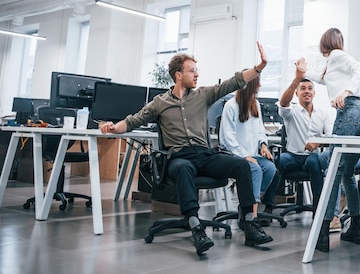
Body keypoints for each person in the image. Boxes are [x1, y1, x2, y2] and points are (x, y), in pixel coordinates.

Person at [98, 42, 273, 256]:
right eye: (192, 71)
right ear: (178, 75)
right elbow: (134, 120)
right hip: (179, 157)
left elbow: (232, 83)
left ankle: (249, 223)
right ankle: (196, 228)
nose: (197, 75)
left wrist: (259, 67)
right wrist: (113, 127)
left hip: (205, 155)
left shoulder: (203, 95)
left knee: (242, 165)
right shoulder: (159, 102)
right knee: (183, 168)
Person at [302, 28, 360, 252]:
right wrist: (304, 73)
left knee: (332, 171)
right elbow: (324, 80)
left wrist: (346, 91)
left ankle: (322, 232)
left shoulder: (337, 55)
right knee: (347, 173)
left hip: (351, 111)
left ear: (325, 44)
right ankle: (356, 229)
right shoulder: (332, 64)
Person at [219, 75, 280, 227]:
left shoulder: (256, 104)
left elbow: (260, 130)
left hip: (252, 155)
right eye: (257, 84)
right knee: (256, 170)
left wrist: (263, 146)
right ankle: (251, 218)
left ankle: (247, 205)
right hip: (233, 156)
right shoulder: (231, 106)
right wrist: (244, 156)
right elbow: (228, 138)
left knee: (270, 168)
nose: (259, 87)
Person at [277, 59, 334, 223]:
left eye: (310, 88)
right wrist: (296, 79)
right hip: (293, 156)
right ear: (297, 92)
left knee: (315, 164)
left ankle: (319, 212)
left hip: (312, 157)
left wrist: (318, 142)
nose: (307, 91)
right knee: (278, 161)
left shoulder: (323, 113)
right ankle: (268, 206)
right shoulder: (291, 111)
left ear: (314, 93)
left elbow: (331, 137)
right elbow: (283, 103)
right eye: (302, 88)